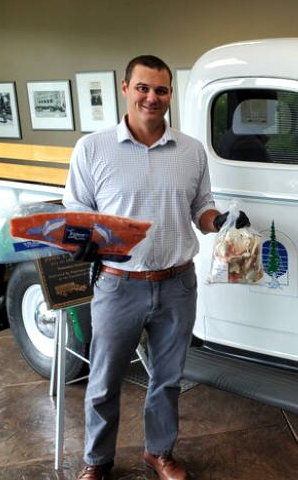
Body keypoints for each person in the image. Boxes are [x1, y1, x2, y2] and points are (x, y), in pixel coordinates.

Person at [64, 55, 249, 480]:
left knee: (167, 379)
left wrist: (219, 222)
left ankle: (158, 452)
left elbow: (201, 206)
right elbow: (77, 212)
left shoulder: (191, 150)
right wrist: (83, 242)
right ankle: (96, 460)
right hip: (118, 284)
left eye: (161, 90)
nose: (152, 97)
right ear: (125, 88)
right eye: (143, 88)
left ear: (170, 95)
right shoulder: (92, 149)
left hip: (177, 284)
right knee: (105, 382)